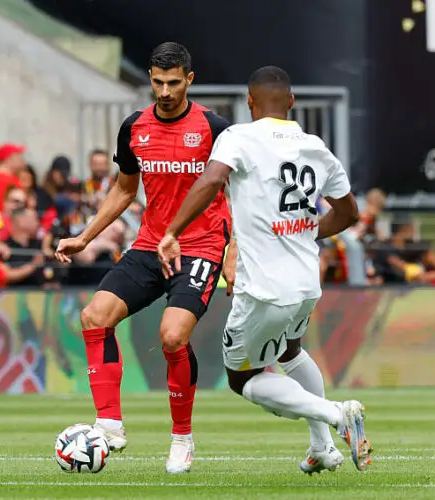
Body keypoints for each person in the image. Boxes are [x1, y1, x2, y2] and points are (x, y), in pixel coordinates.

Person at [156, 66, 371, 473]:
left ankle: (337, 414)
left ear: (250, 103)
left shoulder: (239, 137)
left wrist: (173, 230)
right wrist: (307, 233)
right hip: (307, 283)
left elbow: (211, 179)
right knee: (290, 351)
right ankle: (322, 448)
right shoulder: (315, 146)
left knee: (243, 377)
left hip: (264, 290)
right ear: (291, 102)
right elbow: (349, 213)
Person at [55, 42, 230, 474]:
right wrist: (85, 237)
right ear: (149, 79)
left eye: (173, 82)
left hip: (201, 246)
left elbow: (240, 191)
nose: (165, 91)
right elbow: (124, 189)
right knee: (95, 316)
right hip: (152, 244)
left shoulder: (215, 128)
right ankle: (110, 424)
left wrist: (234, 249)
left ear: (189, 79)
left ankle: (182, 438)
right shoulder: (135, 127)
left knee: (172, 337)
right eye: (157, 82)